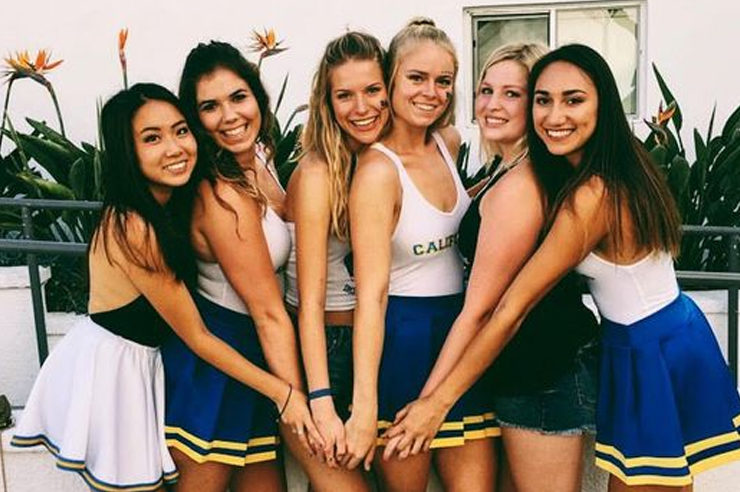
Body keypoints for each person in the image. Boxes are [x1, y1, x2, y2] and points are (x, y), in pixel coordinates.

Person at [384, 43, 740, 491]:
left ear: (603, 105)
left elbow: (510, 308)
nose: (555, 116)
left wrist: (436, 404)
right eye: (543, 100)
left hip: (650, 346)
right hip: (656, 334)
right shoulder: (599, 166)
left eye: (573, 100)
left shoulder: (592, 195)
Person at [11, 83, 316, 492]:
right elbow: (197, 336)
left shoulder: (172, 204)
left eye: (181, 131)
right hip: (116, 371)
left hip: (157, 362)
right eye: (152, 138)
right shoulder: (132, 224)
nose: (174, 148)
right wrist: (284, 393)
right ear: (127, 151)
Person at [384, 43, 598, 492]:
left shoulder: (521, 185)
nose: (493, 105)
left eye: (512, 94)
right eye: (486, 90)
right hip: (521, 372)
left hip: (543, 376)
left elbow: (481, 309)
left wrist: (431, 403)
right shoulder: (506, 168)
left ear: (535, 104)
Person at [163, 41, 330, 492]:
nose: (229, 116)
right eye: (210, 107)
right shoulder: (220, 193)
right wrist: (302, 401)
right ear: (195, 118)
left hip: (257, 359)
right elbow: (267, 312)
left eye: (238, 97)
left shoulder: (258, 159)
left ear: (257, 96)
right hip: (220, 364)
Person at [343, 17, 497, 492]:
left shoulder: (447, 143)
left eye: (443, 81)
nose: (432, 92)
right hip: (401, 343)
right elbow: (371, 296)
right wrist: (364, 405)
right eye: (416, 78)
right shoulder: (376, 171)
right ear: (391, 80)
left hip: (459, 339)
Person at [283, 31, 390, 490]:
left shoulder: (378, 161)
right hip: (326, 348)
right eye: (344, 95)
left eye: (372, 90)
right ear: (327, 103)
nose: (361, 107)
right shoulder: (317, 174)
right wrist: (322, 399)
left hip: (373, 342)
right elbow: (308, 303)